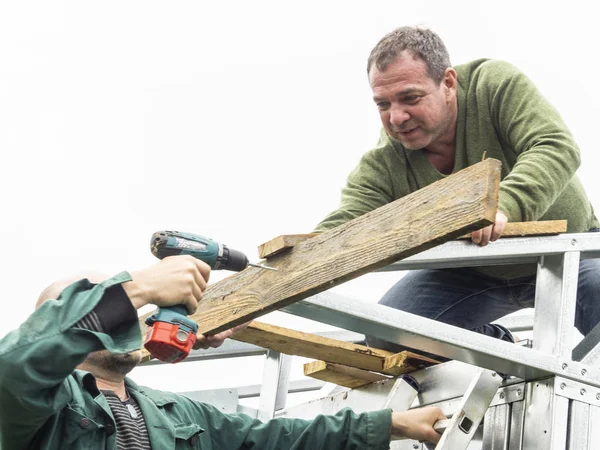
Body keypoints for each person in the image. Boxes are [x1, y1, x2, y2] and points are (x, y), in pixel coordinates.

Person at [314, 26, 600, 353]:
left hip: (568, 252)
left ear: (448, 83)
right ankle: (503, 349)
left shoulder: (493, 85)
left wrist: (501, 205)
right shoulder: (385, 163)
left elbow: (554, 145)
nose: (396, 117)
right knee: (388, 333)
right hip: (474, 270)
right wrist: (258, 295)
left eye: (410, 98)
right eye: (383, 104)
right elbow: (341, 229)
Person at [0, 255, 444, 449]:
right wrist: (135, 288)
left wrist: (391, 424)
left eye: (129, 305)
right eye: (103, 302)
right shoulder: (35, 406)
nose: (126, 311)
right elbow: (20, 363)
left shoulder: (174, 413)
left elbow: (274, 440)